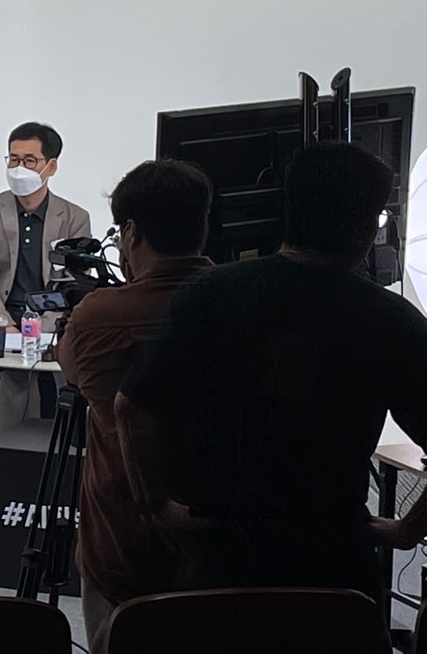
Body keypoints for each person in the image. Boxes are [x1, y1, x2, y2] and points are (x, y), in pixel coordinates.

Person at [117, 142, 427, 603]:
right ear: (368, 224)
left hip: (219, 563)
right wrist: (406, 531)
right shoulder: (392, 320)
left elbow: (131, 405)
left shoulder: (213, 292)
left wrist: (157, 506)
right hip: (333, 569)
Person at [55, 160, 213, 654]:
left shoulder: (98, 315)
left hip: (122, 539)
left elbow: (71, 368)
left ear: (131, 233)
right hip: (219, 531)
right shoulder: (244, 306)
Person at [0, 122, 90, 426]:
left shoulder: (73, 218)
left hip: (51, 319)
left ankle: (49, 447)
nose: (19, 168)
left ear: (51, 166)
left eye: (29, 160)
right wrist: (5, 324)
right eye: (13, 159)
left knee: (55, 382)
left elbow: (75, 284)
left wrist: (42, 328)